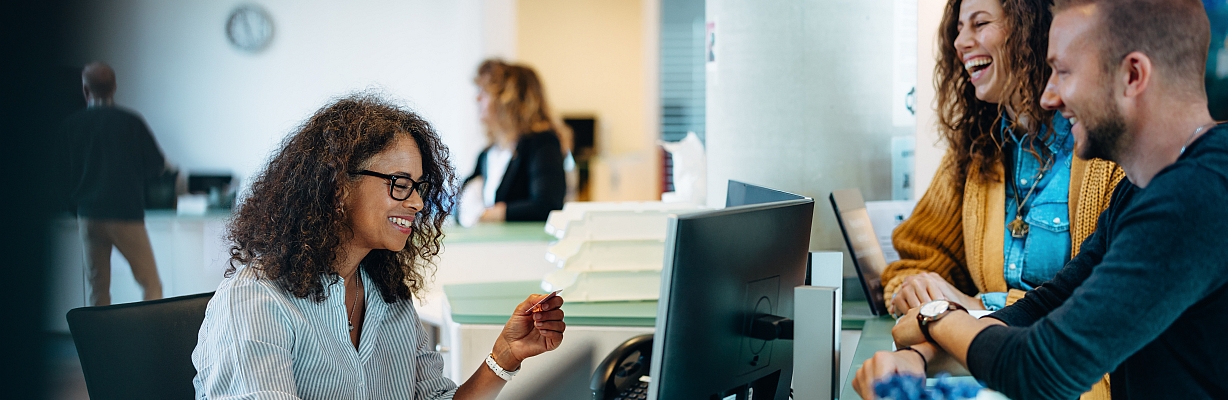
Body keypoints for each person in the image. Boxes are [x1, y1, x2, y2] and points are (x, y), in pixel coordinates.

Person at [855, 0, 1228, 398]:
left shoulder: (1197, 197)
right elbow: (1042, 308)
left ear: (1133, 75)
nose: (1048, 97)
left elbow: (1043, 366)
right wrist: (921, 358)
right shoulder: (1140, 190)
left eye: (1063, 72)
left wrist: (938, 316)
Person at [192, 94, 567, 399]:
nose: (417, 203)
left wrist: (505, 355)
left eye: (417, 187)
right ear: (338, 185)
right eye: (400, 183)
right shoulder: (256, 300)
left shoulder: (387, 295)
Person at [883, 0, 1121, 338]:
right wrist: (914, 288)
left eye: (979, 24)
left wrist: (977, 307)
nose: (960, 41)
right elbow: (916, 258)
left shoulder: (1107, 155)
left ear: (1032, 31)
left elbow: (1110, 302)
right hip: (992, 365)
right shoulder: (975, 149)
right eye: (959, 27)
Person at [63, 62, 167, 306]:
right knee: (150, 283)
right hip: (125, 214)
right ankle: (152, 338)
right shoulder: (130, 123)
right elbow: (157, 164)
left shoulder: (72, 125)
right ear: (114, 87)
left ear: (86, 90)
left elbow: (62, 176)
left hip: (89, 215)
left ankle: (98, 344)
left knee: (97, 289)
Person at [463, 59, 568, 223]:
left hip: (526, 246)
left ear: (508, 100)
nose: (477, 98)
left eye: (485, 92)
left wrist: (485, 215)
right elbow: (460, 202)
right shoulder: (487, 153)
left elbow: (547, 205)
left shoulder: (542, 143)